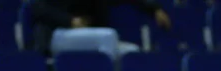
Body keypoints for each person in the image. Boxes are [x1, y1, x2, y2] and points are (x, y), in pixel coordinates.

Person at [31, 0, 172, 59]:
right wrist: (70, 21)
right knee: (108, 36)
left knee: (132, 52)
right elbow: (38, 9)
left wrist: (154, 9)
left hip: (88, 36)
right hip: (57, 34)